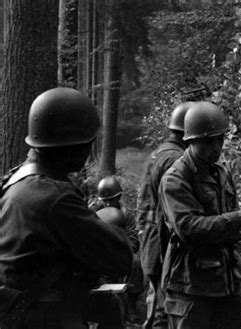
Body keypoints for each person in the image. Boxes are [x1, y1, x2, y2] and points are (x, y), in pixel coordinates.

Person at [0, 87, 133, 329]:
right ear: (73, 146)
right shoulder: (55, 198)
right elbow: (120, 257)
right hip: (44, 318)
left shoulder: (15, 179)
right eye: (87, 143)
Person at [159, 101, 241, 329]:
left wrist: (238, 264)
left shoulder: (221, 171)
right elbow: (189, 228)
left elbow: (236, 229)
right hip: (191, 287)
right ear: (191, 141)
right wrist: (240, 217)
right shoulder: (175, 179)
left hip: (227, 284)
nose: (217, 147)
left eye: (220, 139)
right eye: (209, 141)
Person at [135, 102, 194, 329]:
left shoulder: (158, 153)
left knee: (157, 305)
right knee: (165, 310)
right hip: (162, 245)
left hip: (151, 240)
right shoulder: (175, 159)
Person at [96, 176, 143, 325]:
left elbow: (133, 241)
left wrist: (117, 248)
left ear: (119, 197)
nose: (108, 203)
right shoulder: (93, 212)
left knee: (135, 261)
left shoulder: (127, 216)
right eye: (105, 200)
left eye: (112, 200)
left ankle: (132, 304)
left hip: (121, 252)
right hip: (100, 253)